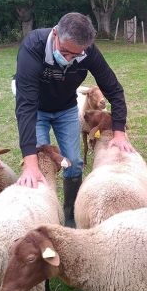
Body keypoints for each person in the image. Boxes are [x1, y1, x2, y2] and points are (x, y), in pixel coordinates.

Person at [14, 12, 134, 226]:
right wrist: (30, 162)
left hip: (66, 109)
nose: (69, 59)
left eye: (75, 55)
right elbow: (25, 107)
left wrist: (119, 132)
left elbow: (114, 89)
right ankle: (43, 219)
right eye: (64, 52)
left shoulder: (88, 52)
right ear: (55, 34)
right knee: (40, 166)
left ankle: (70, 218)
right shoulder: (33, 47)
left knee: (75, 163)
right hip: (37, 110)